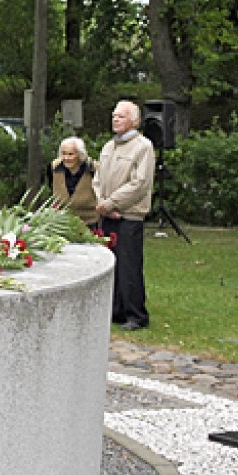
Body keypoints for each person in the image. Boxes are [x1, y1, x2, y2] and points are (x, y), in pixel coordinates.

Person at [93, 100, 155, 331]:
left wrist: (112, 203)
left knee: (129, 266)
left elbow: (140, 184)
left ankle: (136, 314)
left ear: (135, 121)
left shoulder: (143, 147)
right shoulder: (109, 147)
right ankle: (116, 310)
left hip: (129, 216)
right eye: (114, 115)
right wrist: (102, 202)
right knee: (111, 264)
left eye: (121, 116)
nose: (115, 119)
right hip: (108, 214)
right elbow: (97, 179)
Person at [47, 136, 99, 229]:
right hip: (62, 221)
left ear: (80, 154)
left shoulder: (93, 168)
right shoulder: (54, 168)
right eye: (64, 154)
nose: (66, 158)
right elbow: (51, 186)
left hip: (90, 221)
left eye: (71, 154)